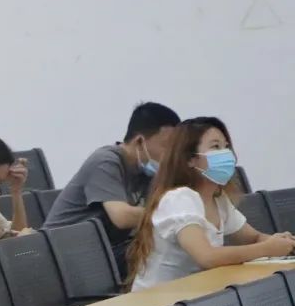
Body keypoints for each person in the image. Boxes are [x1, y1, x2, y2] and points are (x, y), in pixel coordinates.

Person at [127, 119, 295, 291]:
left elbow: (254, 237)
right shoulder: (179, 199)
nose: (226, 153)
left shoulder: (218, 199)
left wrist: (283, 243)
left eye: (226, 146)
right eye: (215, 147)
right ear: (190, 160)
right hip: (158, 301)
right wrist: (266, 249)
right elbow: (207, 257)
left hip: (194, 295)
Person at [44, 102, 181, 275]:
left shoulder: (146, 171)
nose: (171, 156)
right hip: (61, 257)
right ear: (140, 141)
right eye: (167, 147)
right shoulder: (106, 161)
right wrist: (177, 214)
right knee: (159, 255)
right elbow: (122, 217)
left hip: (101, 252)